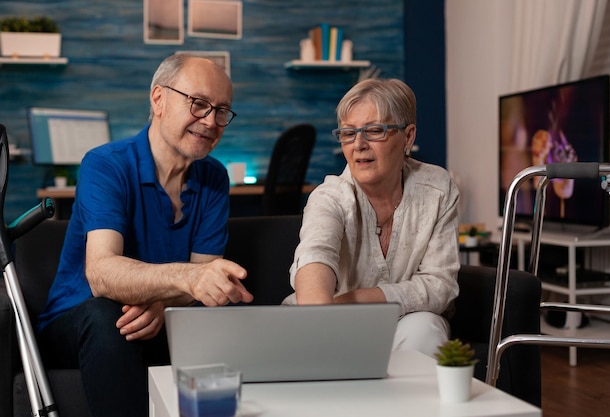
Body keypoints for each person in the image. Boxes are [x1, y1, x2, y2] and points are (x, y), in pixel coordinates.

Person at [37, 53, 253, 417]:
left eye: (221, 111)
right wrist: (187, 279)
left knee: (221, 321)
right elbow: (102, 274)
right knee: (108, 317)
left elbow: (203, 285)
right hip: (80, 321)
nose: (211, 121)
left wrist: (165, 302)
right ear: (158, 99)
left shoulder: (213, 177)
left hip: (157, 321)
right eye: (199, 104)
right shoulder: (105, 164)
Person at [283, 78, 460, 357]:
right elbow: (316, 253)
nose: (359, 145)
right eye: (348, 133)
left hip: (401, 320)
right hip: (323, 320)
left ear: (408, 137)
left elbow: (440, 286)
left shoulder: (437, 188)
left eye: (374, 131)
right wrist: (321, 313)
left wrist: (349, 301)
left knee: (425, 328)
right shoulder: (329, 196)